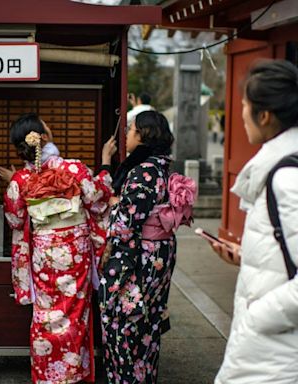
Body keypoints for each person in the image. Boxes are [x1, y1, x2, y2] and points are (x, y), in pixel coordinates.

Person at [0, 113, 115, 384]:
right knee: (75, 312)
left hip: (42, 254)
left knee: (44, 314)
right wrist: (106, 164)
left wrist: (12, 183)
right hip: (75, 251)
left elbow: (15, 219)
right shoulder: (73, 169)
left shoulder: (20, 179)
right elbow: (99, 199)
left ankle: (47, 376)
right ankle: (72, 375)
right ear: (45, 137)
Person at [209, 60, 298, 384]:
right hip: (269, 348)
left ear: (264, 115)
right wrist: (248, 257)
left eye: (245, 105)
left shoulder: (287, 179)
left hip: (277, 352)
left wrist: (258, 315)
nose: (240, 113)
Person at [98, 111, 195, 384]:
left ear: (142, 135)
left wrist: (113, 212)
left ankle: (127, 379)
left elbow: (126, 222)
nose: (126, 134)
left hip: (139, 254)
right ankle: (143, 377)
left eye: (129, 130)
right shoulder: (162, 167)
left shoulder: (144, 170)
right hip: (159, 251)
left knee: (123, 323)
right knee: (148, 323)